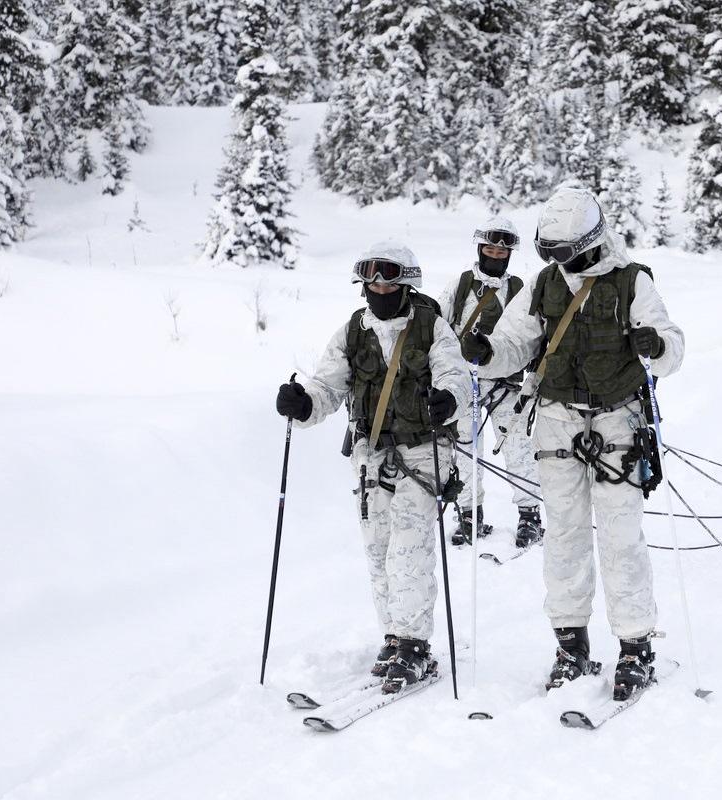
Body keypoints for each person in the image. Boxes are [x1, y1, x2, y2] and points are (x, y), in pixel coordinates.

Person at [459, 186, 684, 701]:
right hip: (557, 418)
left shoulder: (632, 282)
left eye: (563, 253)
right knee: (564, 537)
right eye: (548, 253)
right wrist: (485, 351)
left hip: (618, 422)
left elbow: (672, 343)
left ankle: (635, 646)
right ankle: (571, 645)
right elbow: (516, 342)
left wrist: (657, 345)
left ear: (590, 240)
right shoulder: (543, 284)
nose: (557, 263)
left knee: (620, 537)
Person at [274, 241, 470, 693]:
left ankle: (415, 646)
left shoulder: (431, 328)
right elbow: (327, 387)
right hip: (370, 455)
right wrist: (303, 405)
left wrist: (449, 399)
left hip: (424, 453)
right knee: (379, 551)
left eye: (388, 279)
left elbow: (454, 376)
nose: (379, 287)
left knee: (408, 550)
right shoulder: (351, 332)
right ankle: (394, 635)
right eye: (372, 280)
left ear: (406, 283)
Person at [437, 216, 543, 549]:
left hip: (508, 385)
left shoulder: (520, 290)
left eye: (502, 249)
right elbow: (439, 327)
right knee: (467, 453)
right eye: (490, 248)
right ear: (480, 247)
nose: (495, 254)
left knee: (520, 450)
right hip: (465, 382)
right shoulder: (459, 285)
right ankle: (470, 516)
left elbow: (533, 333)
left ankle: (530, 516)